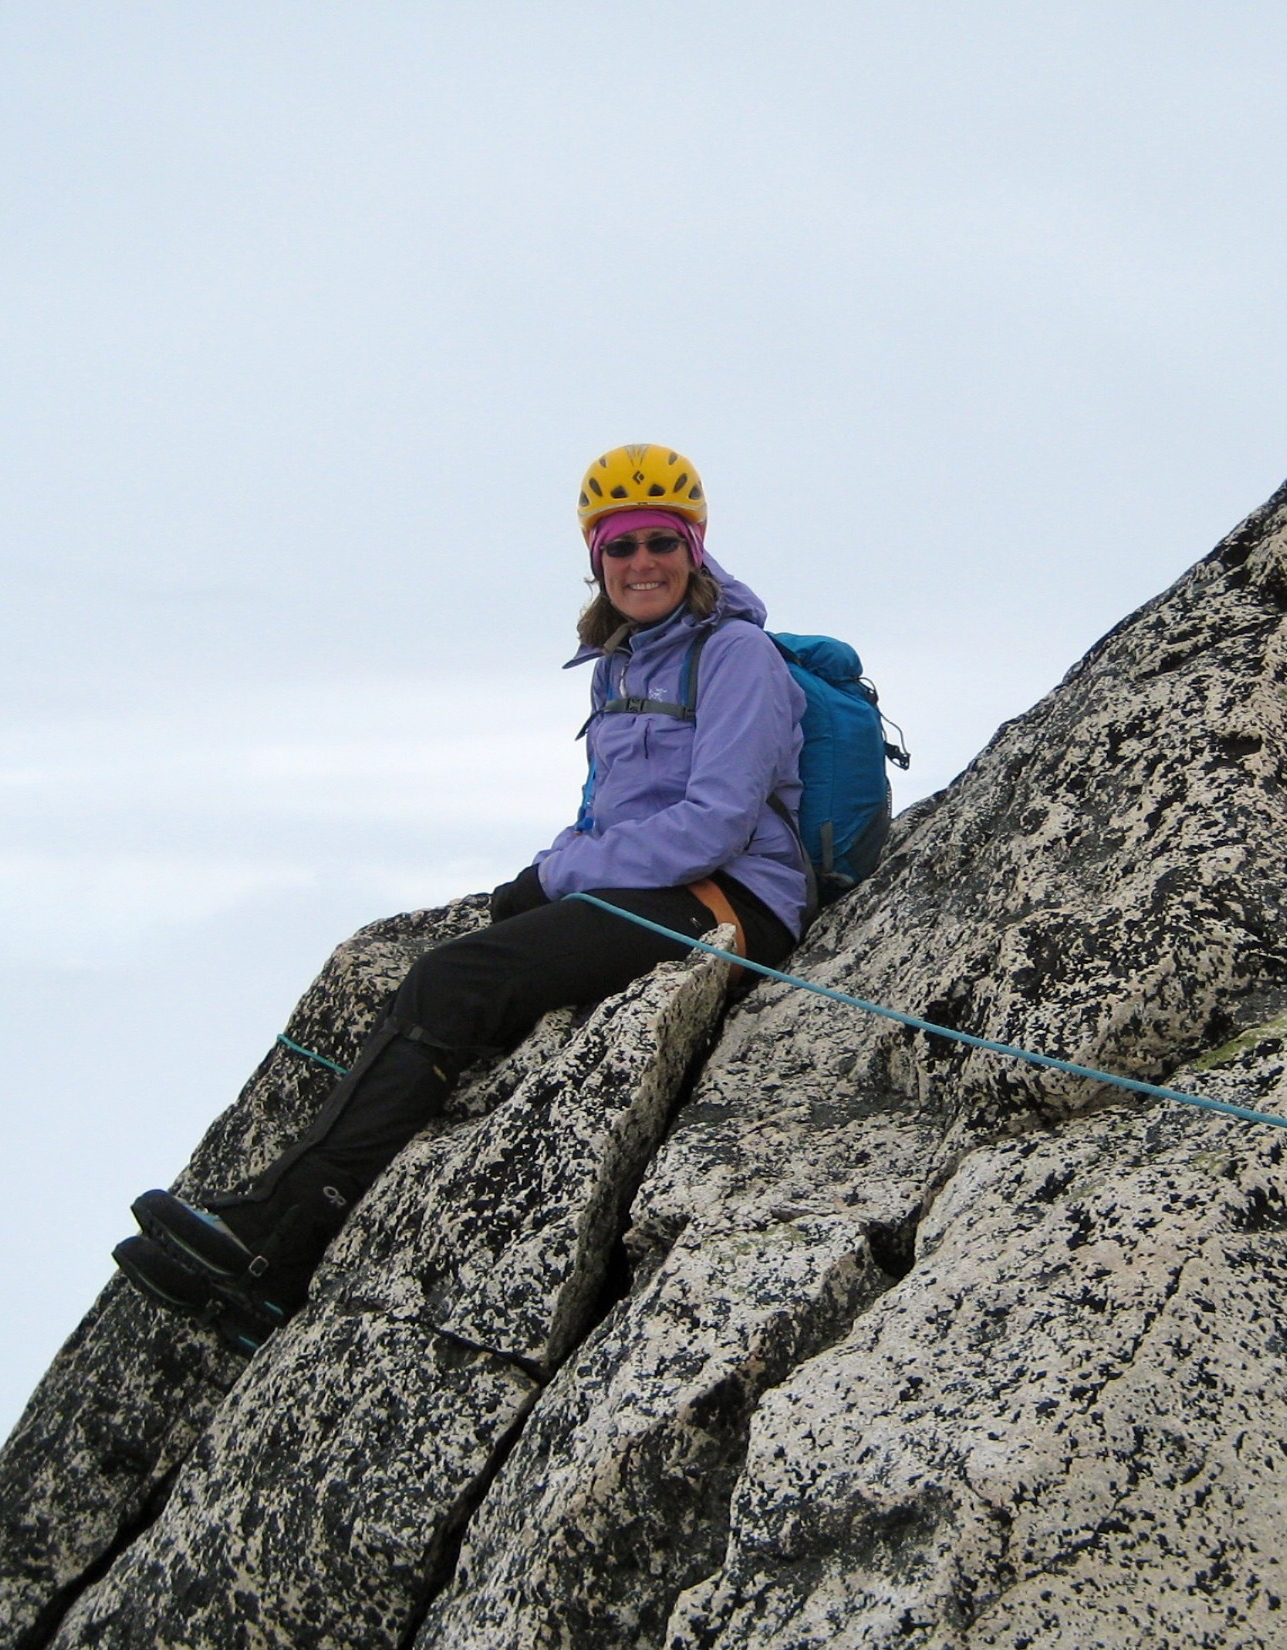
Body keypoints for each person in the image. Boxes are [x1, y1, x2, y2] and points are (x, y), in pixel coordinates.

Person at [115, 443, 808, 1343]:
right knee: (449, 971)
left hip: (732, 903)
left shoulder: (737, 656)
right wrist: (559, 867)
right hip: (660, 888)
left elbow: (714, 824)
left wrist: (560, 872)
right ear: (594, 560)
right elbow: (607, 815)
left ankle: (271, 1247)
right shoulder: (619, 663)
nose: (642, 563)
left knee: (458, 979)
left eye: (660, 541)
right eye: (620, 546)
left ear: (696, 546)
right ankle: (273, 1249)